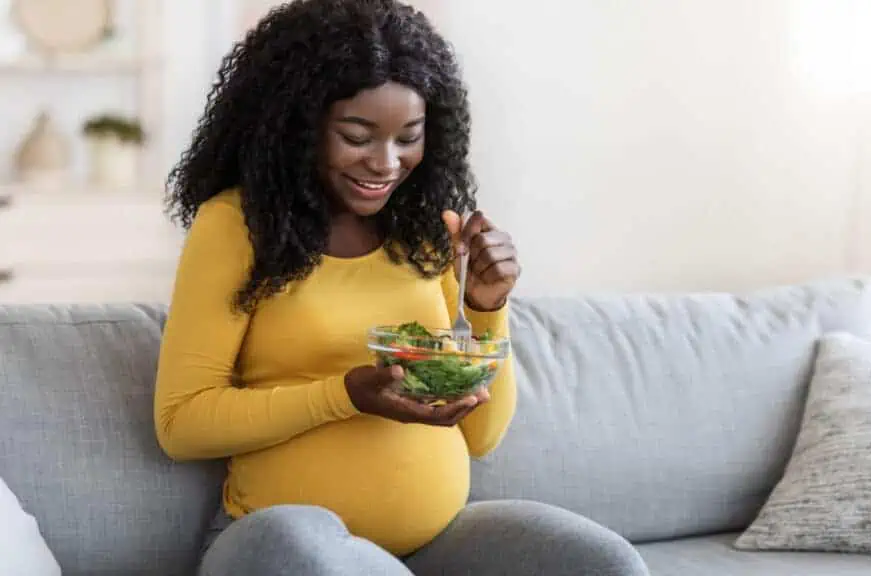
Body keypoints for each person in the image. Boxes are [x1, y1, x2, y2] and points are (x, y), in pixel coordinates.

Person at [154, 0, 650, 575]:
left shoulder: (427, 230)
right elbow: (181, 424)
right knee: (304, 551)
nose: (386, 163)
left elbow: (483, 433)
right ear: (296, 125)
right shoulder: (236, 226)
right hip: (284, 541)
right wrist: (346, 395)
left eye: (408, 137)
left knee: (605, 563)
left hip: (435, 543)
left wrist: (486, 307)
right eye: (357, 135)